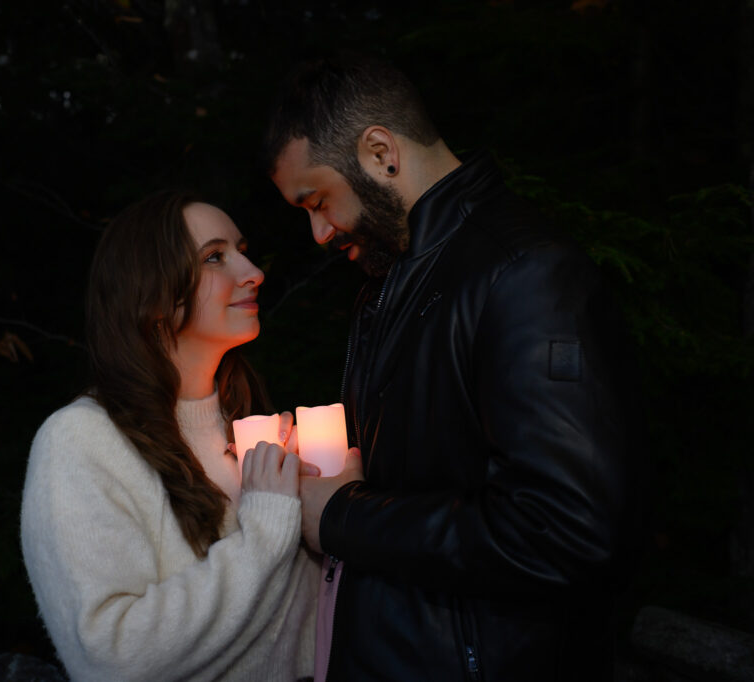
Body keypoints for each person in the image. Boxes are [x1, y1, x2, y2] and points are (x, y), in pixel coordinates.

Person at [263, 55, 637, 680]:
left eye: (318, 200)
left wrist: (339, 516)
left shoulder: (524, 274)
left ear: (381, 152)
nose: (319, 232)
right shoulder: (391, 281)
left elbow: (564, 532)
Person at [20, 191, 318, 681]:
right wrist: (267, 528)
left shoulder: (247, 424)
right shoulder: (80, 442)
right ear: (153, 294)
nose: (254, 271)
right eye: (215, 257)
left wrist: (329, 512)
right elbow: (111, 656)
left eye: (242, 249)